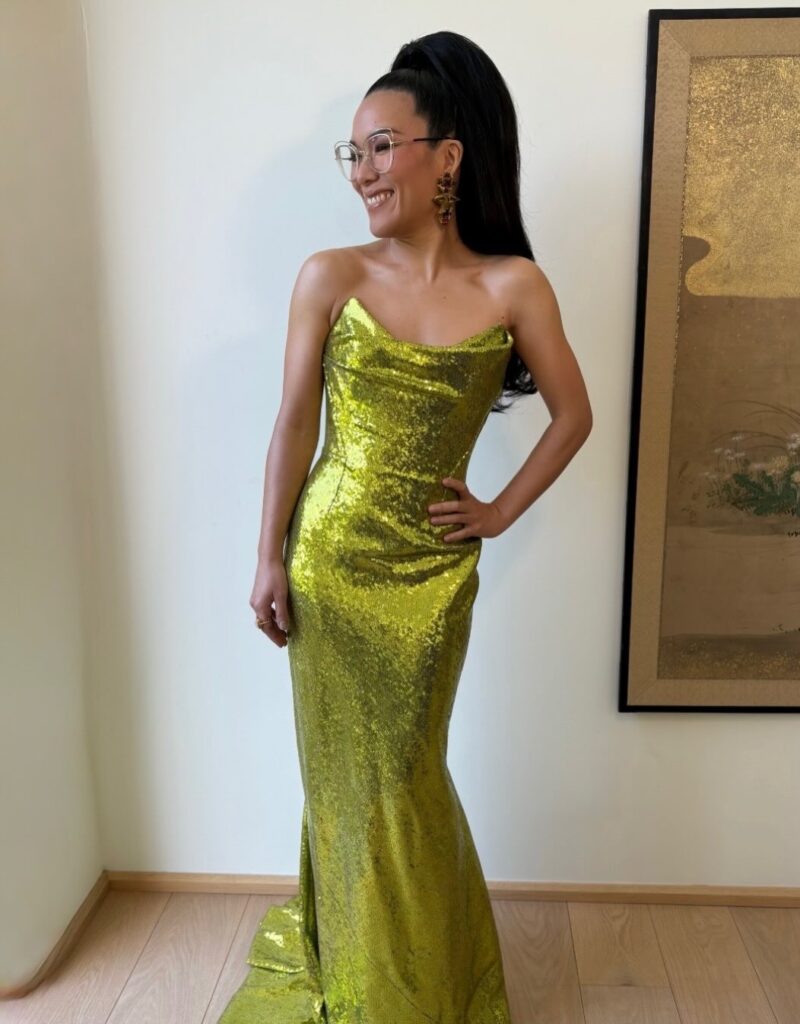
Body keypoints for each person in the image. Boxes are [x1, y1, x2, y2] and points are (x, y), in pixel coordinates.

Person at [219, 29, 592, 1024]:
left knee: (407, 776)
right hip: (330, 562)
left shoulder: (513, 286)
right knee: (344, 783)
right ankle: (360, 977)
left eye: (382, 146)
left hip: (433, 574)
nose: (363, 171)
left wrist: (497, 513)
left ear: (447, 156)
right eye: (355, 152)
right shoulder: (329, 274)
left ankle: (419, 983)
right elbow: (293, 423)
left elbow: (574, 416)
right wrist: (267, 557)